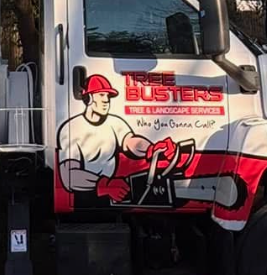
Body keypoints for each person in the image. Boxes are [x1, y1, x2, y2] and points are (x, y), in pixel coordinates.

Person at [56, 74, 179, 202]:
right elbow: (69, 176)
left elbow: (131, 142)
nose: (106, 100)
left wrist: (152, 149)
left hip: (114, 194)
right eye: (101, 95)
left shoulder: (115, 122)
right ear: (90, 97)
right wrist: (104, 185)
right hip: (84, 194)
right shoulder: (71, 128)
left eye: (108, 96)